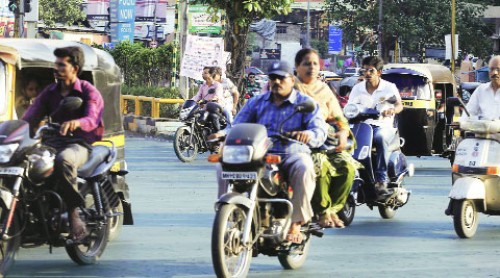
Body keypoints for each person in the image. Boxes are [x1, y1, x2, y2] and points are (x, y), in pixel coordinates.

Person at [214, 61, 328, 244]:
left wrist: (308, 135)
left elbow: (320, 132)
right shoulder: (256, 102)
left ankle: (296, 224)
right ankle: (226, 212)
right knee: (222, 166)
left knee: (305, 167)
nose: (277, 82)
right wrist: (222, 135)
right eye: (273, 78)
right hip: (258, 154)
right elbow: (237, 126)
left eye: (281, 78)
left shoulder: (305, 103)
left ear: (292, 79)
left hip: (291, 153)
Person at [22, 46, 105, 241]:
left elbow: (92, 118)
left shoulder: (88, 91)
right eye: (56, 64)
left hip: (79, 144)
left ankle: (75, 214)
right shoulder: (49, 92)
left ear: (75, 68)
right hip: (52, 141)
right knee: (27, 164)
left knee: (64, 160)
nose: (56, 68)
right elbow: (30, 116)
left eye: (61, 65)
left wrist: (78, 122)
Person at [294, 48, 359, 228]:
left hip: (326, 140)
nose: (312, 68)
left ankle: (333, 209)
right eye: (307, 63)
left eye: (315, 64)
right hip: (300, 142)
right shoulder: (290, 86)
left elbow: (339, 118)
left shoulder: (324, 89)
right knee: (320, 165)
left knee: (348, 167)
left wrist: (343, 132)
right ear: (297, 67)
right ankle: (322, 211)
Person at [347, 56, 403, 199]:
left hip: (382, 126)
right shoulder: (357, 89)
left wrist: (392, 110)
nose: (367, 73)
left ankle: (381, 179)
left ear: (379, 72)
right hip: (362, 126)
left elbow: (399, 105)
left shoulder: (389, 88)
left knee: (380, 138)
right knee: (347, 142)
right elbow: (350, 107)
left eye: (371, 70)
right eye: (364, 70)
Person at [460, 55, 500, 121]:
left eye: (498, 69)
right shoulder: (481, 90)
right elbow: (467, 116)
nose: (494, 73)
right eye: (492, 69)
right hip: (481, 130)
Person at [191, 66, 225, 132]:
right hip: (205, 108)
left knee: (213, 116)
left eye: (205, 73)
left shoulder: (217, 85)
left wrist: (212, 99)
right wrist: (190, 101)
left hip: (215, 108)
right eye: (203, 73)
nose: (203, 74)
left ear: (211, 74)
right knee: (195, 116)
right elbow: (198, 96)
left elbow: (217, 96)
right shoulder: (203, 86)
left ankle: (218, 135)